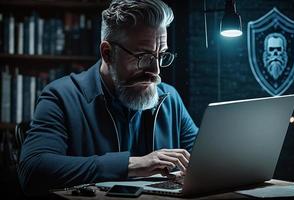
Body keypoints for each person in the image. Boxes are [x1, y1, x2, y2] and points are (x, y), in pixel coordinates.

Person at [18, 0, 198, 196]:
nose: (156, 72)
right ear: (108, 53)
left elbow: (207, 160)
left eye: (161, 55)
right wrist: (132, 164)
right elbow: (33, 170)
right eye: (143, 56)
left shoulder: (170, 98)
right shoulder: (60, 96)